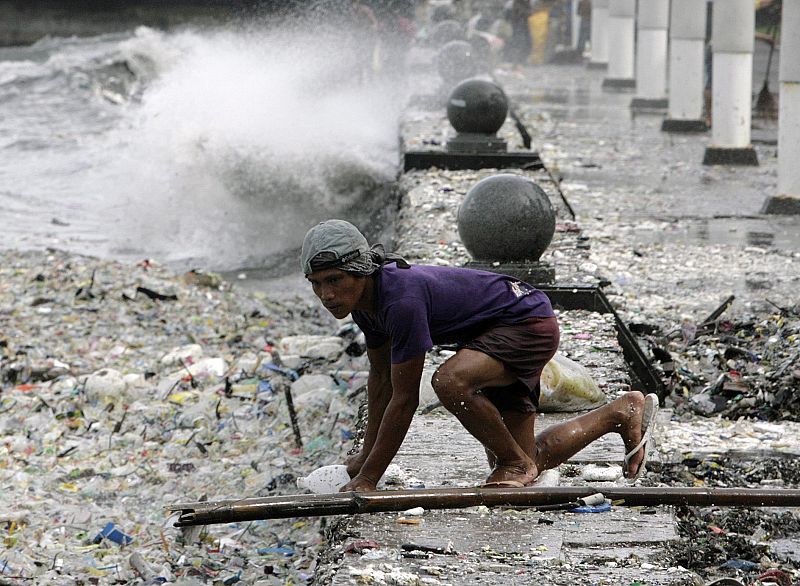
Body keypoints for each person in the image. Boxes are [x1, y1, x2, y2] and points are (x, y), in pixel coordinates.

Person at [301, 219, 660, 492]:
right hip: (491, 335)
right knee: (528, 459)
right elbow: (380, 383)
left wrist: (369, 479)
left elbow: (405, 398)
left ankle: (512, 462)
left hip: (526, 323)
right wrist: (365, 458)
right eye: (317, 284)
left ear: (362, 271)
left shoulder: (400, 301)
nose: (326, 294)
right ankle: (621, 412)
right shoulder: (365, 305)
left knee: (450, 381)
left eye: (334, 280)